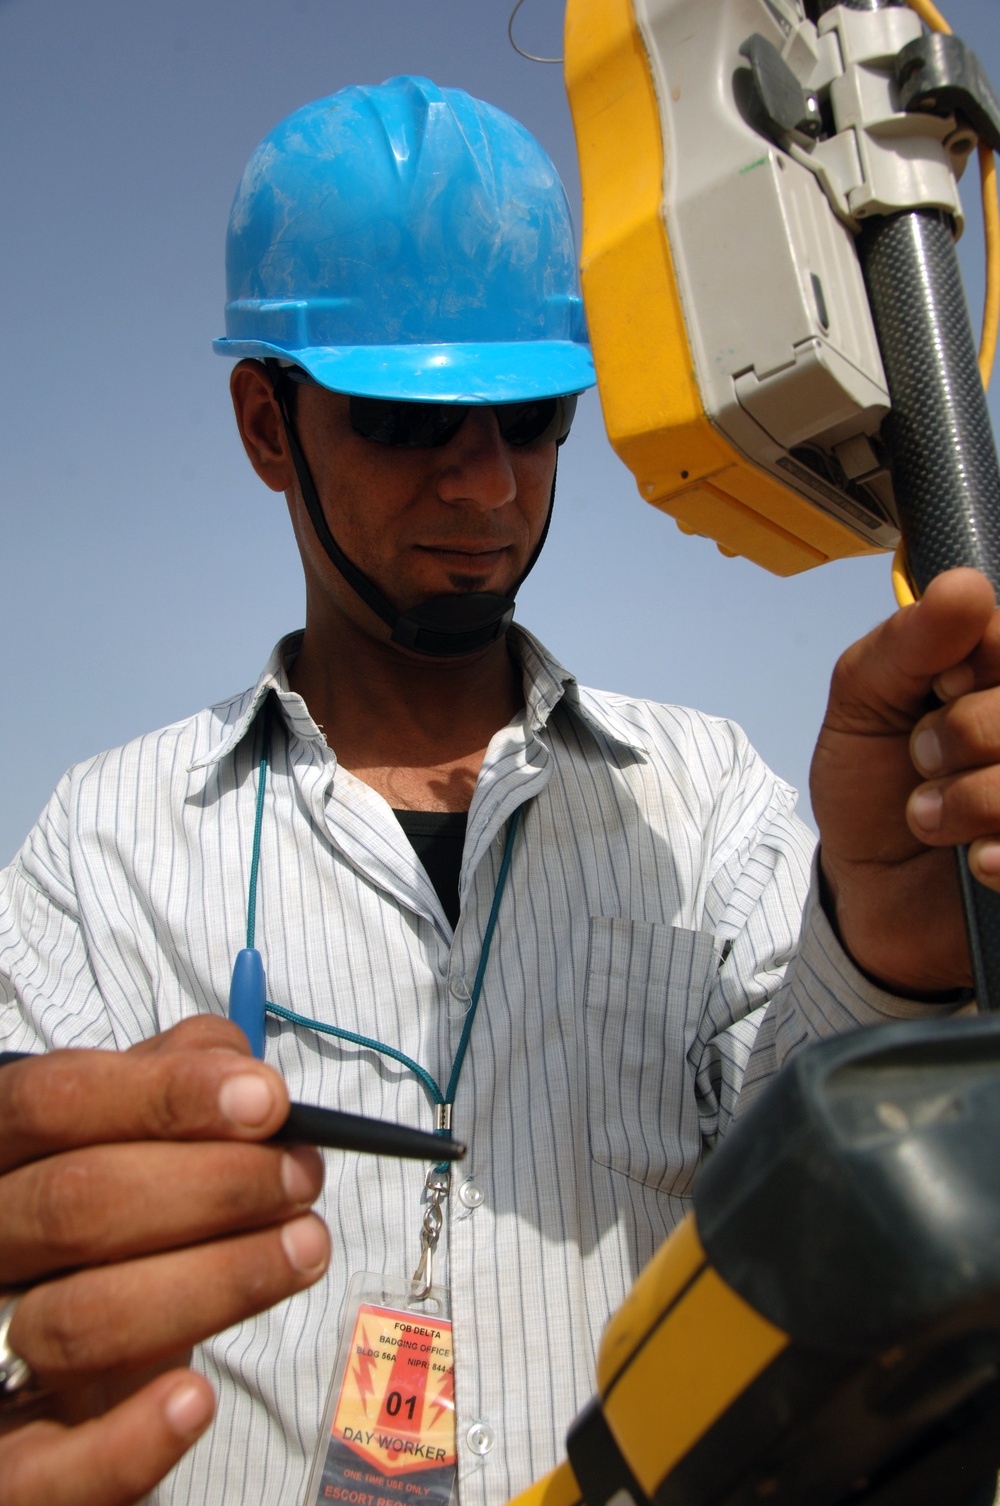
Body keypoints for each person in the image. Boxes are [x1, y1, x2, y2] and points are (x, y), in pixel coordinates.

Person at [2, 73, 1000, 1506]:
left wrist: (889, 944)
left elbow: (817, 1182)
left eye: (531, 418)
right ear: (267, 425)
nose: (484, 486)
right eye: (410, 424)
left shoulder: (703, 800)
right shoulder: (101, 849)